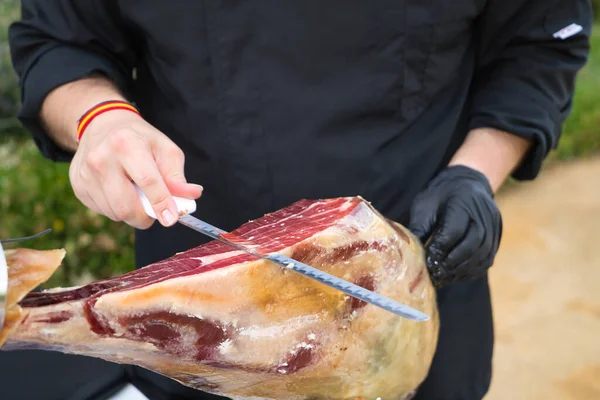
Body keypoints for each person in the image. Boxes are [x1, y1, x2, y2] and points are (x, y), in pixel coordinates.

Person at [5, 1, 592, 399]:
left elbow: (537, 47)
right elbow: (59, 40)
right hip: (193, 309)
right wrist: (101, 121)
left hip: (411, 297)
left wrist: (473, 175)